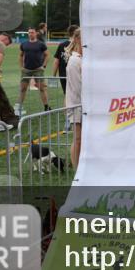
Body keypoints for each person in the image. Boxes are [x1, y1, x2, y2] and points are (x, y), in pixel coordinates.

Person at [17, 27, 50, 115]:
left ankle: (47, 107)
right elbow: (20, 56)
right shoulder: (24, 44)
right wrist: (21, 67)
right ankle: (19, 107)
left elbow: (47, 55)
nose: (30, 34)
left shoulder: (41, 44)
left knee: (42, 89)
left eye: (32, 32)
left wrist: (44, 66)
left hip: (38, 70)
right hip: (26, 70)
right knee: (23, 89)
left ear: (36, 33)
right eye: (29, 32)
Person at [64, 28, 83, 168]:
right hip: (77, 104)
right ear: (77, 39)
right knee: (78, 138)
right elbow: (77, 87)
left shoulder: (81, 59)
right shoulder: (75, 61)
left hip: (82, 104)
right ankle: (77, 168)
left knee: (81, 138)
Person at [51, 25, 78, 94]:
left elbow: (56, 61)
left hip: (63, 74)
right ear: (76, 33)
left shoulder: (61, 45)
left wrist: (53, 75)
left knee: (66, 95)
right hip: (75, 74)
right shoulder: (79, 44)